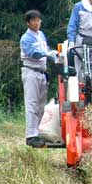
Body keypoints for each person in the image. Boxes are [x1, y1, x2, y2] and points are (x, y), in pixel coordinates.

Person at [20, 10, 57, 147]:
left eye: (38, 20)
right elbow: (33, 53)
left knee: (41, 105)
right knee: (32, 104)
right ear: (28, 23)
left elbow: (45, 50)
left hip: (41, 72)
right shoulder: (26, 38)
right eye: (33, 20)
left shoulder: (41, 35)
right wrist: (47, 54)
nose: (37, 23)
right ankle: (30, 136)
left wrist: (52, 54)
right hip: (31, 72)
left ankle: (38, 133)